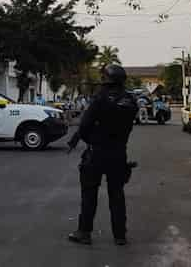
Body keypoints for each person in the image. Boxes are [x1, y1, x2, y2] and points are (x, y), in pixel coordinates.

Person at [66, 65, 138, 246]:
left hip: (97, 152)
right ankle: (120, 235)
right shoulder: (130, 100)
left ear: (107, 80)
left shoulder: (100, 99)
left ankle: (84, 232)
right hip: (119, 153)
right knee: (117, 194)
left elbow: (85, 125)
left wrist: (81, 139)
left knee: (89, 193)